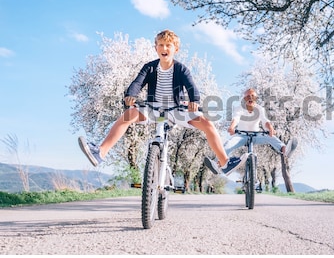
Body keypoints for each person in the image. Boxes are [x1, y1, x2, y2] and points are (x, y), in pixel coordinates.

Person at [78, 29, 247, 173]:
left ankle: (224, 163)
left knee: (207, 124)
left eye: (168, 45)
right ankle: (100, 153)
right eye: (161, 45)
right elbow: (138, 82)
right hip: (154, 112)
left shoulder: (181, 69)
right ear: (156, 48)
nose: (164, 48)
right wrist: (131, 94)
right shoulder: (149, 67)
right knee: (128, 115)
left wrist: (194, 100)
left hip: (176, 112)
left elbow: (191, 86)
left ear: (176, 49)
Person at [204, 88, 297, 176]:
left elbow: (265, 121)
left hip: (257, 135)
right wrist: (232, 127)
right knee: (228, 144)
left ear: (256, 99)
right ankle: (218, 164)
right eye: (247, 97)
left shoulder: (260, 109)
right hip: (241, 135)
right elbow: (236, 118)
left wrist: (271, 129)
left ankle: (285, 150)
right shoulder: (239, 108)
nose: (250, 98)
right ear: (244, 99)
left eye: (252, 96)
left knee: (271, 137)